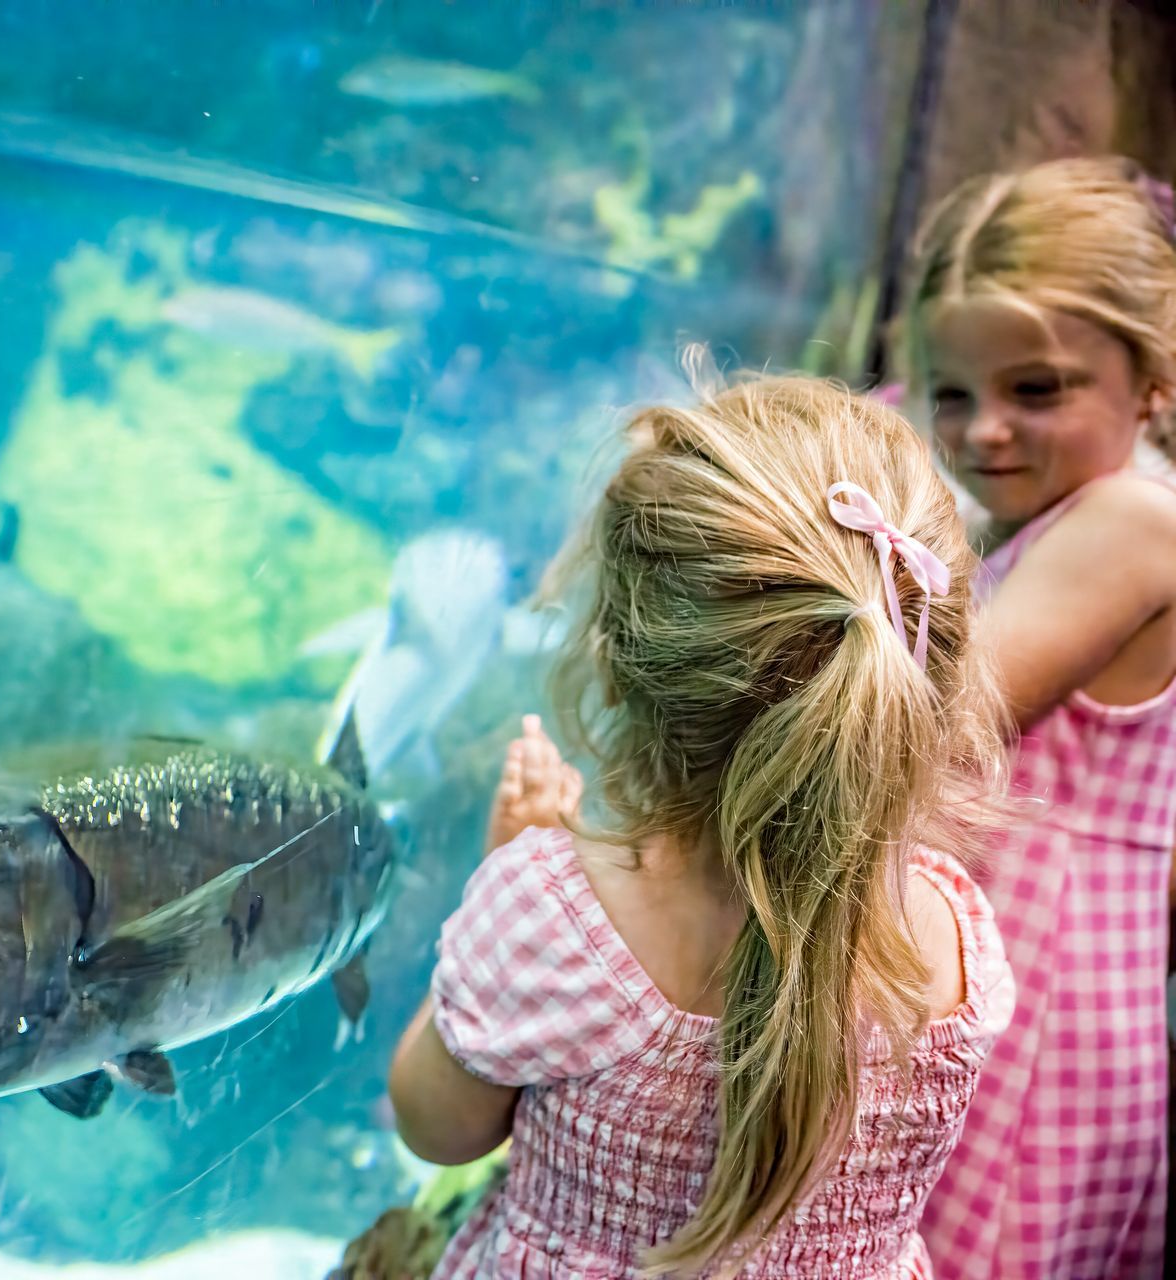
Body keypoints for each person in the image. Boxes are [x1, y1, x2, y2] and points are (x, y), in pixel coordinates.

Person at [387, 372, 1014, 1278]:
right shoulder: (955, 931)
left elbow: (436, 1127)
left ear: (618, 665)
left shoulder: (553, 920)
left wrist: (509, 881)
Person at [899, 154, 1176, 1279]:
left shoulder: (1128, 520)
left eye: (1039, 388)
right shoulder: (1086, 507)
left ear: (1150, 378)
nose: (985, 432)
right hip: (1029, 979)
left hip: (1039, 1002)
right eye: (951, 392)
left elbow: (936, 722)